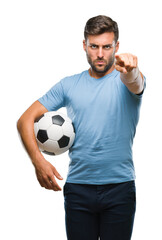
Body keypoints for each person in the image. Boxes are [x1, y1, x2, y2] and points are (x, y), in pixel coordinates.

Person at [17, 15, 146, 240]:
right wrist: (38, 161)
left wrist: (131, 70)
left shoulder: (126, 79)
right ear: (84, 45)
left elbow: (136, 82)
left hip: (120, 189)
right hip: (78, 188)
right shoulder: (69, 85)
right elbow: (25, 119)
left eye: (107, 47)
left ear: (116, 47)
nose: (100, 54)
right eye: (94, 46)